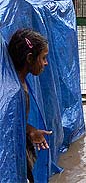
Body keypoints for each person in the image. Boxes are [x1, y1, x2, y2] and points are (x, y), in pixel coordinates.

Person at [8, 28, 52, 183]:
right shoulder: (14, 93)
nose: (46, 63)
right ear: (29, 58)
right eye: (43, 58)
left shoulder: (18, 83)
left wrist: (30, 131)